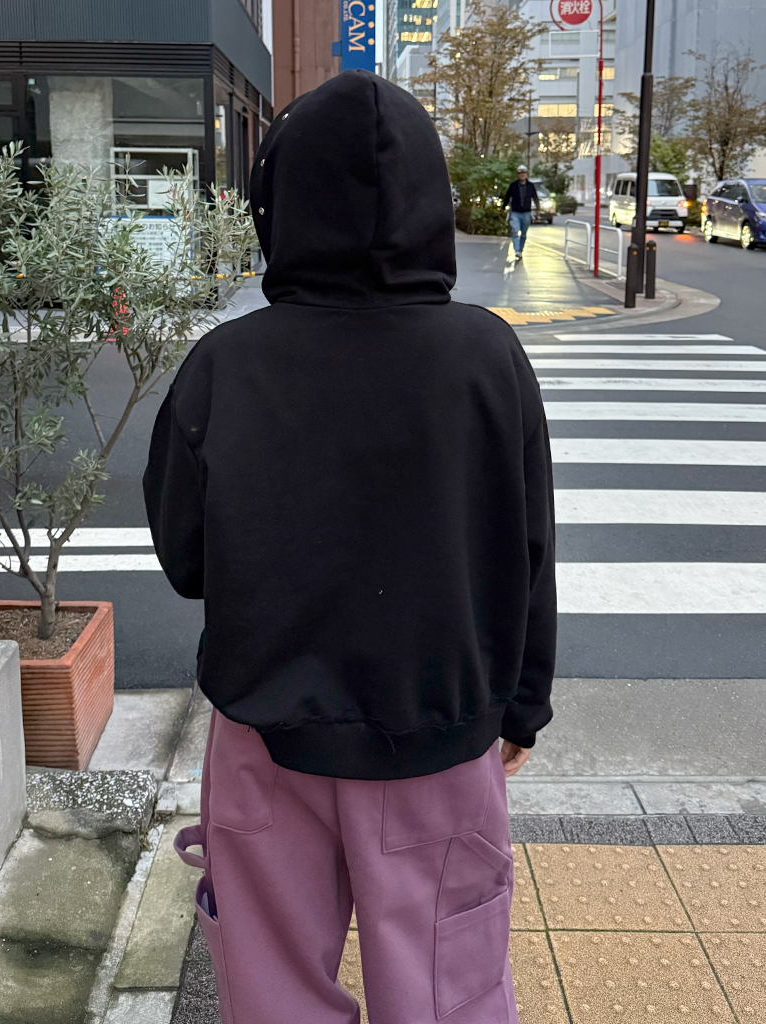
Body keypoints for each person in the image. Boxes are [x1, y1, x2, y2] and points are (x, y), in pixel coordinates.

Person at [144, 70, 556, 1024]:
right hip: (443, 732)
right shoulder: (488, 357)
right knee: (448, 992)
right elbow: (527, 546)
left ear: (278, 205)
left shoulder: (227, 363)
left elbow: (187, 560)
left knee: (273, 991)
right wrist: (522, 707)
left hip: (268, 737)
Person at [504, 165, 540, 260]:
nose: (522, 175)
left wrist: (538, 208)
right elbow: (507, 196)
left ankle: (520, 249)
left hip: (526, 213)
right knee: (515, 231)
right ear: (518, 175)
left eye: (524, 173)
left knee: (523, 234)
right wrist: (503, 207)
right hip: (515, 212)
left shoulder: (530, 186)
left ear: (527, 174)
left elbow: (535, 197)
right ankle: (517, 250)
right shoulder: (513, 185)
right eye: (520, 173)